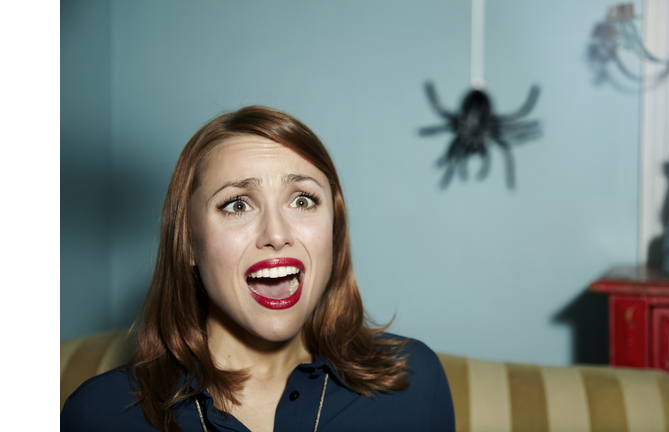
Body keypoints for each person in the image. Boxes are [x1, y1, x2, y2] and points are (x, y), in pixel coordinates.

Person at [60, 106, 455, 432]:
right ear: (189, 244)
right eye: (237, 204)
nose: (277, 234)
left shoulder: (414, 381)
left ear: (333, 231)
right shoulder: (99, 415)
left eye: (302, 200)